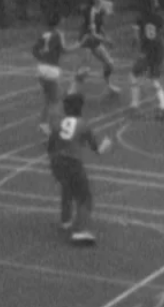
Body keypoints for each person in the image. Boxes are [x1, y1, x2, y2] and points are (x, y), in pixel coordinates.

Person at [47, 71, 113, 244]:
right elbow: (96, 149)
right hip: (72, 162)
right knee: (85, 197)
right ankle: (80, 230)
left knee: (66, 189)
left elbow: (50, 145)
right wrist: (106, 144)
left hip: (56, 162)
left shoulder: (59, 122)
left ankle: (65, 220)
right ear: (80, 108)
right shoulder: (83, 125)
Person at [33, 13, 81, 134]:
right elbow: (65, 50)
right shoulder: (58, 34)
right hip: (51, 70)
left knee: (49, 98)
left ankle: (43, 123)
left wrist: (42, 58)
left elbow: (34, 50)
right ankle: (55, 128)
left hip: (41, 68)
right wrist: (78, 45)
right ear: (58, 22)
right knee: (56, 100)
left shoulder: (44, 34)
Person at [130, 0, 164, 119]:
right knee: (155, 79)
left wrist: (136, 45)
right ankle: (163, 107)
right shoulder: (159, 18)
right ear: (153, 4)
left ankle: (135, 105)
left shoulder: (139, 18)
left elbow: (135, 37)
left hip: (146, 51)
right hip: (158, 51)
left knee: (134, 75)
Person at [79, 0, 121, 95]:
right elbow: (92, 33)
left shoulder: (100, 10)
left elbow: (100, 27)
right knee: (85, 69)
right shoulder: (91, 11)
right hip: (86, 40)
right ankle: (72, 89)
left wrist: (106, 36)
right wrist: (106, 41)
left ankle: (108, 86)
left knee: (110, 64)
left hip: (95, 40)